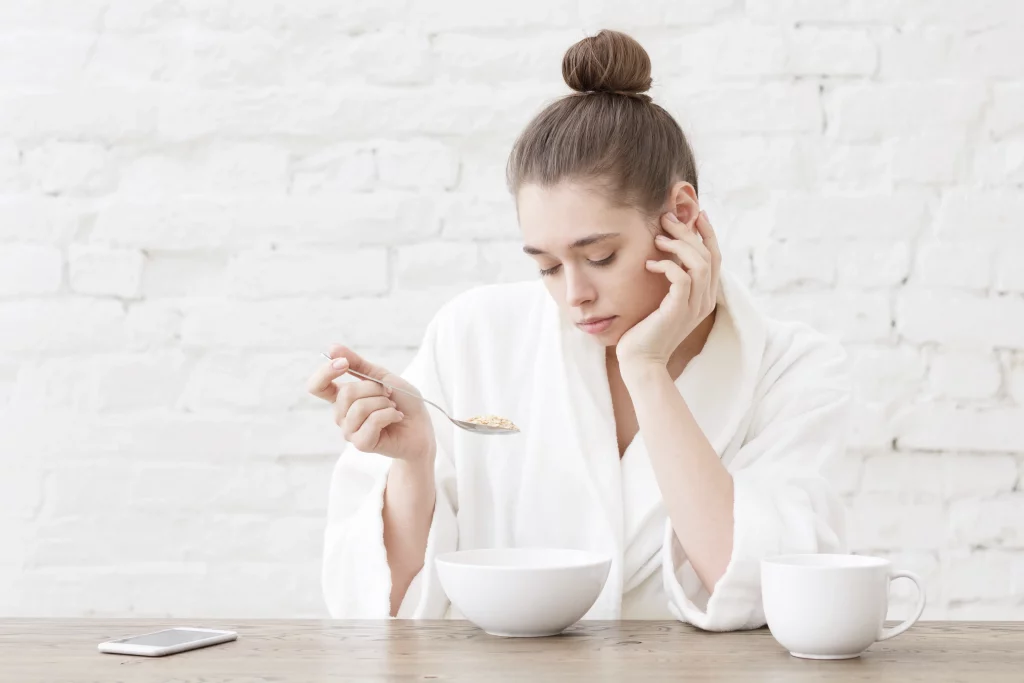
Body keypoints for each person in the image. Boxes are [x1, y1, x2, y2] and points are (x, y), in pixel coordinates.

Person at [309, 30, 850, 632]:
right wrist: (413, 462)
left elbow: (764, 591)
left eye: (599, 257)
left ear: (682, 218)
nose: (574, 295)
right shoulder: (474, 336)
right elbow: (374, 608)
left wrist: (645, 370)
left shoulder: (793, 370)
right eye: (545, 266)